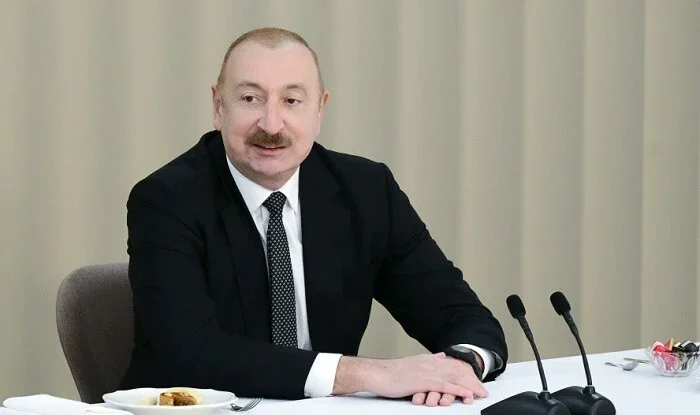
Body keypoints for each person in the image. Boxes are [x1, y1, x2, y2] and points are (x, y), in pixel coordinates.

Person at [119, 27, 507, 407]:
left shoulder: (367, 191)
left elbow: (461, 316)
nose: (271, 125)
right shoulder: (166, 200)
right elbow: (192, 353)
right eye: (251, 99)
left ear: (320, 109)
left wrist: (460, 367)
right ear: (218, 107)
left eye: (292, 101)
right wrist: (371, 374)